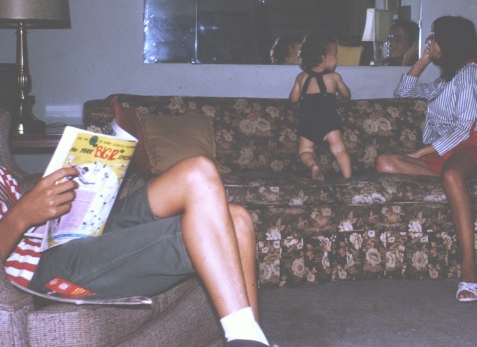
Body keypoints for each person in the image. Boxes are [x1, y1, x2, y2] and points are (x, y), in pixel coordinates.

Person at [0, 158, 269, 347]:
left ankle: (250, 336)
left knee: (201, 175)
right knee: (225, 224)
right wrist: (22, 215)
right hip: (39, 270)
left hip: (60, 238)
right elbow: (18, 219)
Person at [375, 16, 477, 303]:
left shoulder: (470, 73)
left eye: (434, 36)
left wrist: (422, 152)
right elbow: (403, 92)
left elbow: (465, 128)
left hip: (470, 145)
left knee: (452, 175)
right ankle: (474, 178)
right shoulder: (447, 79)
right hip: (445, 152)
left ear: (450, 41)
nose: (429, 40)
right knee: (384, 162)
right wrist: (424, 59)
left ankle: (469, 268)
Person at [289, 34, 352, 181]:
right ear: (324, 58)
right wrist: (341, 94)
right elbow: (347, 95)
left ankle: (313, 166)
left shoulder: (302, 77)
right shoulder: (334, 77)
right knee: (339, 149)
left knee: (305, 151)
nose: (337, 59)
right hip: (328, 119)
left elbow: (293, 99)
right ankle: (348, 179)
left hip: (308, 120)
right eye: (335, 55)